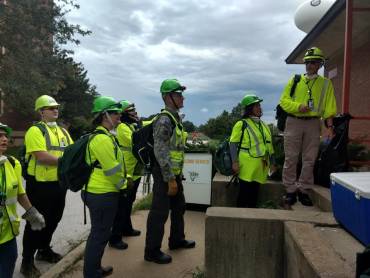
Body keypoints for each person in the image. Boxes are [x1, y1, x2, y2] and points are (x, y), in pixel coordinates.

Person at [21, 95, 73, 277]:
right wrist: (66, 163)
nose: (55, 110)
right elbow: (41, 156)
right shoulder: (35, 131)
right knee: (36, 223)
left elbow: (72, 153)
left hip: (59, 184)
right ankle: (26, 261)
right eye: (51, 108)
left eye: (56, 107)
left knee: (53, 219)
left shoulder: (64, 132)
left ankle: (43, 250)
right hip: (40, 186)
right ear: (41, 111)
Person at [144, 79, 195, 264]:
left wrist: (176, 175)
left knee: (179, 208)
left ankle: (176, 240)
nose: (182, 98)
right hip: (165, 175)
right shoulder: (165, 120)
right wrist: (169, 178)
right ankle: (151, 251)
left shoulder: (175, 119)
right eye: (178, 94)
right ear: (168, 97)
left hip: (174, 174)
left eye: (181, 94)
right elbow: (161, 151)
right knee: (159, 213)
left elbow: (175, 151)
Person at [279, 47, 337, 208]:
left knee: (309, 159)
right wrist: (298, 106)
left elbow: (329, 107)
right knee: (290, 158)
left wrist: (330, 127)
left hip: (313, 123)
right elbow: (283, 101)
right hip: (293, 121)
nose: (309, 65)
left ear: (319, 64)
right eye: (307, 62)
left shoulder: (326, 84)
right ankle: (290, 190)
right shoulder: (295, 80)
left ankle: (304, 190)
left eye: (313, 62)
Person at [83, 96, 127, 278]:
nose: (119, 117)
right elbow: (112, 169)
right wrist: (123, 186)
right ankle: (92, 273)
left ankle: (95, 269)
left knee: (100, 234)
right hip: (101, 193)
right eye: (115, 113)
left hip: (103, 192)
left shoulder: (106, 136)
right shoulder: (101, 139)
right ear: (105, 115)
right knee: (99, 235)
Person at [0, 123, 45, 278]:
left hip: (7, 233)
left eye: (5, 136)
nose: (4, 139)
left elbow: (19, 192)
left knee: (8, 264)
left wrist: (32, 213)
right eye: (0, 136)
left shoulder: (12, 163)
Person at [230, 95, 275, 208]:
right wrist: (235, 162)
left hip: (260, 167)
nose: (260, 108)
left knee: (254, 196)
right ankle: (240, 219)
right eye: (256, 106)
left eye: (259, 105)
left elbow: (269, 146)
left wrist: (273, 163)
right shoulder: (241, 124)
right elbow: (233, 144)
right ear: (249, 108)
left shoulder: (264, 125)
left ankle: (250, 218)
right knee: (244, 195)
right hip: (246, 167)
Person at [109, 100, 141, 250]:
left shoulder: (130, 126)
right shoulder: (122, 128)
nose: (135, 113)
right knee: (121, 207)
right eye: (131, 111)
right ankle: (115, 238)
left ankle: (127, 228)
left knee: (128, 204)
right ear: (124, 114)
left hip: (133, 172)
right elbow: (136, 142)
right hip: (125, 172)